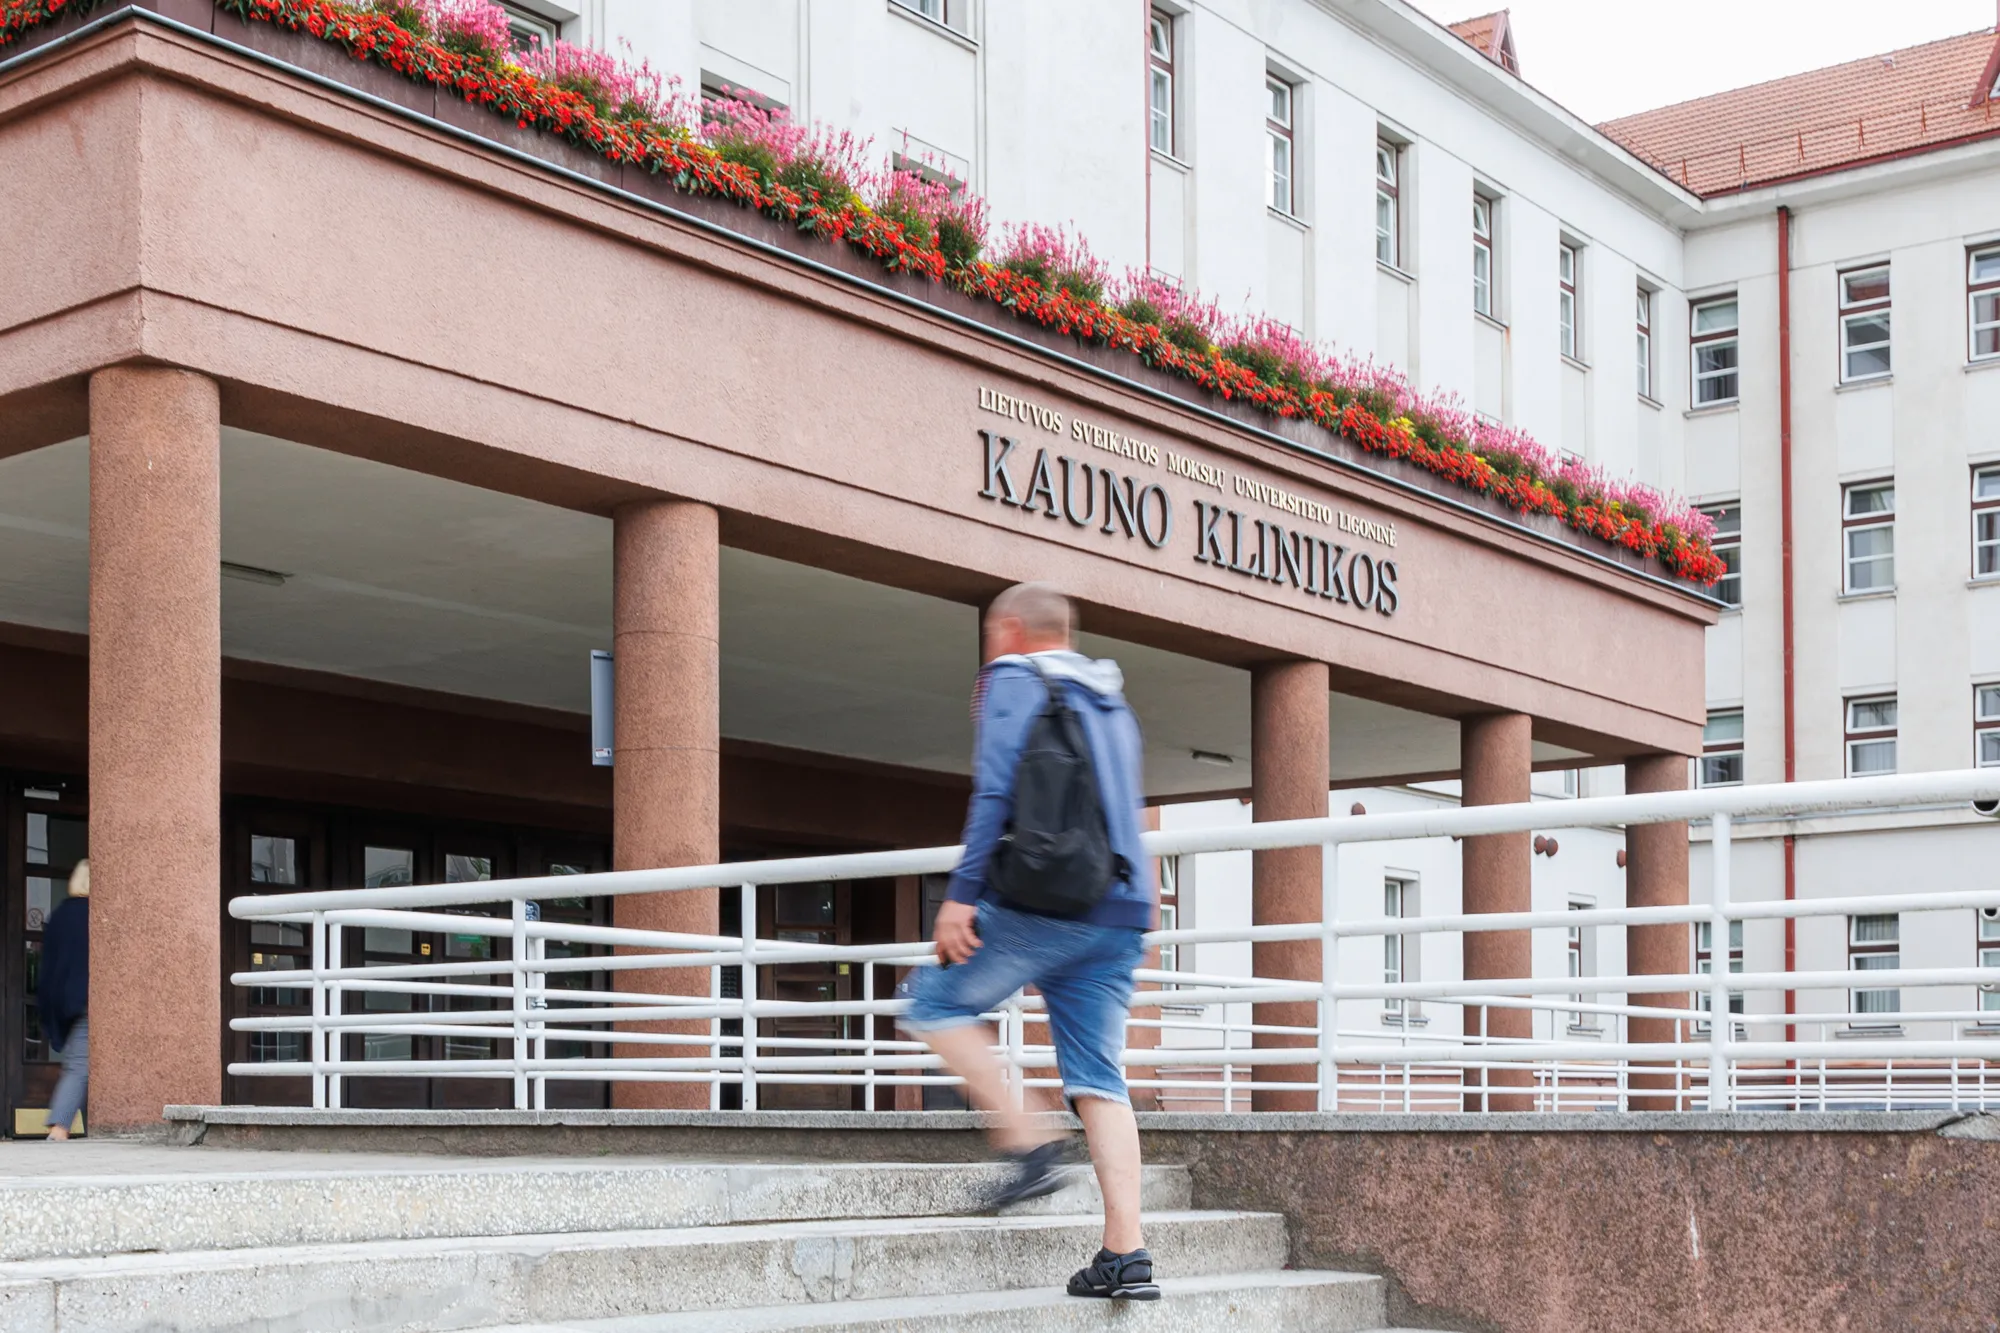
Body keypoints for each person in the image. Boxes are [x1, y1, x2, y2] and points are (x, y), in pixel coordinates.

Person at [898, 582, 1160, 1302]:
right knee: (1100, 1078)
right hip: (1122, 907)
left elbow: (994, 790)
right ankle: (1125, 1253)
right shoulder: (1113, 700)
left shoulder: (1015, 678)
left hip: (1046, 898)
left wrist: (960, 893)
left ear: (1011, 628)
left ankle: (1029, 1137)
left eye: (990, 633)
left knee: (933, 1004)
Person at [40, 856, 90, 1142]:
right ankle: (58, 1130)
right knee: (80, 1065)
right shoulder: (97, 913)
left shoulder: (61, 914)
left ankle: (63, 1128)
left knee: (79, 1063)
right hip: (91, 999)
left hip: (69, 1001)